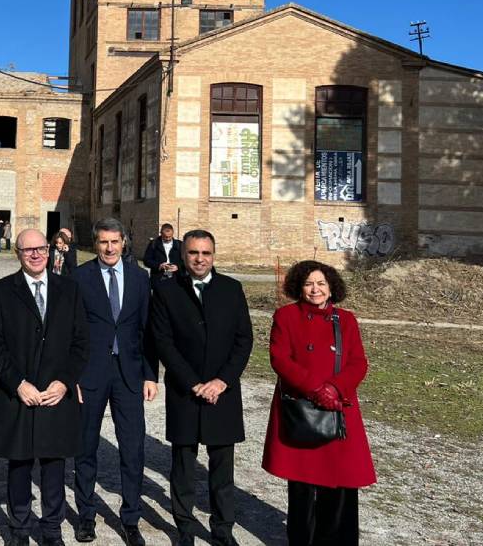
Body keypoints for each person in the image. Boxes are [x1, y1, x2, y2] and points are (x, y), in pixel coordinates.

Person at [0, 229, 89, 546]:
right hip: (19, 393)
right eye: (28, 250)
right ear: (17, 253)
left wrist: (65, 381)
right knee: (19, 465)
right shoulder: (1, 291)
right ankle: (19, 530)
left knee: (54, 465)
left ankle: (52, 530)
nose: (35, 254)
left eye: (41, 248)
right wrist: (17, 383)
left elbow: (81, 342)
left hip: (56, 393)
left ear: (50, 249)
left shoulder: (69, 289)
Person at [150, 229, 253, 546]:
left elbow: (243, 340)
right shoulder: (166, 291)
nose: (199, 259)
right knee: (183, 466)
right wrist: (193, 383)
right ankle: (185, 529)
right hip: (185, 392)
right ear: (183, 255)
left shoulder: (231, 289)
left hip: (223, 393)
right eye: (193, 252)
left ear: (214, 255)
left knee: (222, 470)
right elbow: (163, 342)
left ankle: (223, 530)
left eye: (206, 253)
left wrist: (222, 381)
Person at [262, 260, 375, 545]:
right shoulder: (286, 316)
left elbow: (358, 362)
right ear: (298, 287)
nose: (315, 289)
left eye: (321, 283)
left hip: (338, 408)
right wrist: (315, 388)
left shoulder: (346, 320)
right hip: (303, 409)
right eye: (309, 284)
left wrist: (335, 388)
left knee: (341, 483)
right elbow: (280, 359)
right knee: (302, 486)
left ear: (331, 287)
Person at [71, 219, 157, 545]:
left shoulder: (139, 278)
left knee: (133, 449)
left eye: (114, 242)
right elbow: (71, 331)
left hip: (129, 374)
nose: (109, 248)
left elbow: (147, 330)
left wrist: (150, 375)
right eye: (103, 242)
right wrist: (73, 376)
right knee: (85, 448)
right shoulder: (79, 277)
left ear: (124, 243)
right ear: (95, 244)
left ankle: (131, 518)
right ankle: (86, 516)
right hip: (90, 374)